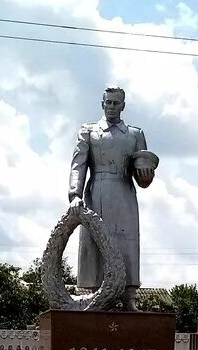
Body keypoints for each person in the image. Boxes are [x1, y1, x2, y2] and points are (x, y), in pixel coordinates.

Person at [69, 87, 157, 311]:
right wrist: (75, 194)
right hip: (96, 192)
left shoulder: (134, 135)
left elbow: (142, 176)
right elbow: (78, 165)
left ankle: (129, 296)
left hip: (124, 192)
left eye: (116, 103)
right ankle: (92, 293)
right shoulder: (89, 131)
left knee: (127, 243)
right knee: (94, 242)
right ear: (102, 104)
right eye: (108, 102)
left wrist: (146, 176)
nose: (111, 106)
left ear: (123, 106)